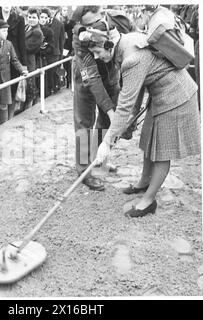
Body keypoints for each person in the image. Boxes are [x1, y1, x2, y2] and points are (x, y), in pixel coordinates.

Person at [92, 29, 200, 217]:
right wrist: (132, 117)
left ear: (108, 45)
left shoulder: (132, 59)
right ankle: (144, 182)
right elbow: (137, 88)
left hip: (176, 97)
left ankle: (149, 200)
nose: (96, 57)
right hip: (160, 94)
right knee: (149, 138)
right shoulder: (127, 41)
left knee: (162, 150)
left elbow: (124, 104)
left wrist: (106, 142)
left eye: (97, 52)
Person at [71, 5, 132, 191]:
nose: (89, 29)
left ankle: (99, 161)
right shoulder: (80, 38)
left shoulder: (116, 21)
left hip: (111, 76)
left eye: (93, 22)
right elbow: (93, 81)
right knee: (84, 125)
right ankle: (84, 171)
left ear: (100, 13)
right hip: (86, 80)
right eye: (85, 25)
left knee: (105, 123)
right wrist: (110, 109)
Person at [0, 19, 28, 126]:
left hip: (5, 80)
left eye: (7, 31)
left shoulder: (8, 44)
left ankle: (3, 126)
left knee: (3, 105)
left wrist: (22, 70)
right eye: (4, 31)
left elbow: (14, 59)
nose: (6, 33)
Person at [24, 7, 43, 109]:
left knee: (30, 86)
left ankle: (28, 109)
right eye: (29, 17)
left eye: (34, 17)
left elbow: (28, 48)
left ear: (38, 19)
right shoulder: (27, 27)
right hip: (25, 60)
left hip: (30, 62)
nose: (31, 19)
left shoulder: (37, 32)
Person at [38, 8, 55, 97]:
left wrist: (43, 50)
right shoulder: (32, 28)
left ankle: (44, 95)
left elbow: (51, 47)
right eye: (41, 17)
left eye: (45, 18)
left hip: (44, 58)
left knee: (44, 77)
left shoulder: (49, 31)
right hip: (33, 58)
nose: (43, 19)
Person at [48, 7, 65, 94]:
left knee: (53, 72)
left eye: (53, 10)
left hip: (55, 53)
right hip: (44, 53)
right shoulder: (42, 21)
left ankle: (54, 88)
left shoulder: (59, 24)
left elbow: (62, 41)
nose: (51, 12)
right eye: (50, 9)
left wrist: (61, 57)